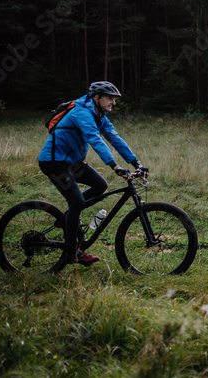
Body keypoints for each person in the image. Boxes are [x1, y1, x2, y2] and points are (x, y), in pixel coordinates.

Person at [37, 81, 144, 265]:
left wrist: (136, 163)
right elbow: (94, 139)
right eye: (110, 98)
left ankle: (68, 218)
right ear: (96, 97)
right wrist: (114, 165)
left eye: (114, 99)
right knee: (77, 201)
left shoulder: (100, 115)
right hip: (54, 161)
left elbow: (114, 138)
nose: (113, 102)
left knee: (100, 185)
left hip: (72, 162)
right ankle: (72, 252)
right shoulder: (82, 112)